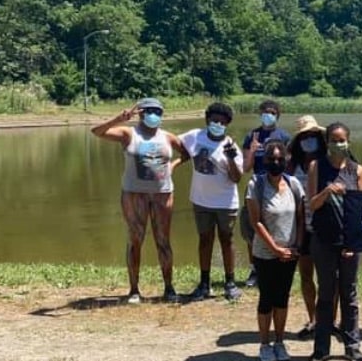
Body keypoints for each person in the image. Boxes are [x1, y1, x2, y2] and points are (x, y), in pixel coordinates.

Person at [90, 97, 188, 304]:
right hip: (134, 194)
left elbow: (187, 154)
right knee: (135, 240)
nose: (154, 115)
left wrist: (174, 165)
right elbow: (96, 132)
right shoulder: (129, 134)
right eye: (150, 110)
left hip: (162, 194)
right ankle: (134, 290)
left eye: (158, 111)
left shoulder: (168, 137)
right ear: (140, 113)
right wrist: (118, 119)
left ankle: (169, 288)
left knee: (163, 241)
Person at [307, 122, 362, 361]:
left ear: (349, 141)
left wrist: (356, 242)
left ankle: (352, 345)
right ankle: (321, 347)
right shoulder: (316, 167)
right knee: (325, 294)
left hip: (349, 242)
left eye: (342, 140)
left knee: (349, 294)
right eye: (333, 140)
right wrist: (327, 192)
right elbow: (311, 204)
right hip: (323, 239)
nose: (338, 144)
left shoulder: (357, 170)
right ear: (327, 142)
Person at [246, 141, 305, 361]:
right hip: (265, 252)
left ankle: (279, 342)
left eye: (280, 159)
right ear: (265, 160)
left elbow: (300, 217)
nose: (276, 163)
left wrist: (296, 246)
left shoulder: (294, 184)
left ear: (286, 160)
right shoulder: (256, 185)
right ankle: (264, 344)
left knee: (282, 298)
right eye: (272, 159)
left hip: (289, 254)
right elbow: (256, 221)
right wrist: (275, 249)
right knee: (266, 298)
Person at [178, 102, 243, 301]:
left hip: (225, 203)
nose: (218, 124)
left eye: (222, 122)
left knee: (227, 240)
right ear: (207, 120)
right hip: (201, 201)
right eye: (214, 120)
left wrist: (231, 158)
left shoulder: (231, 146)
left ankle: (230, 282)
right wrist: (175, 161)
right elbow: (176, 144)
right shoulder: (195, 136)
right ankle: (204, 283)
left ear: (227, 124)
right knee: (204, 240)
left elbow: (237, 178)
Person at [241, 99, 292, 288]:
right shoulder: (252, 135)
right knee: (252, 228)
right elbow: (245, 168)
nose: (268, 115)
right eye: (265, 111)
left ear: (277, 115)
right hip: (257, 184)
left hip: (278, 185)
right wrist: (253, 151)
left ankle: (278, 261)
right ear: (260, 113)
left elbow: (289, 165)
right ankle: (255, 269)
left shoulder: (284, 136)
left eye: (272, 112)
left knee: (277, 226)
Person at [286, 115, 327, 339]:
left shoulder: (327, 161)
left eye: (313, 135)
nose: (309, 139)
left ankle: (327, 320)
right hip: (302, 228)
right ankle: (312, 319)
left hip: (324, 227)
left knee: (327, 278)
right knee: (306, 275)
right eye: (305, 136)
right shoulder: (291, 165)